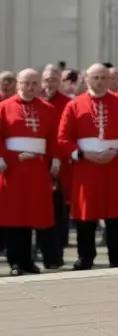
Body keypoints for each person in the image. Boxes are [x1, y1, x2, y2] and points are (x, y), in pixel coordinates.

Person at [57, 64, 118, 270]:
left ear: (109, 80)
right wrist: (82, 153)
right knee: (86, 215)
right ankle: (86, 257)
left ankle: (117, 256)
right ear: (87, 79)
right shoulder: (74, 105)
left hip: (114, 164)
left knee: (116, 213)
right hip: (87, 166)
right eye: (95, 77)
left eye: (103, 77)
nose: (99, 81)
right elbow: (63, 137)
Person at [0, 69, 62, 275]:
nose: (30, 87)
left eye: (34, 83)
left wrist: (55, 158)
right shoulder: (4, 107)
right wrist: (4, 157)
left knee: (32, 216)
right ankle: (16, 262)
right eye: (26, 83)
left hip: (37, 169)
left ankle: (28, 261)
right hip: (13, 169)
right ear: (18, 84)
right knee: (14, 217)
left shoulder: (47, 108)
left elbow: (53, 137)